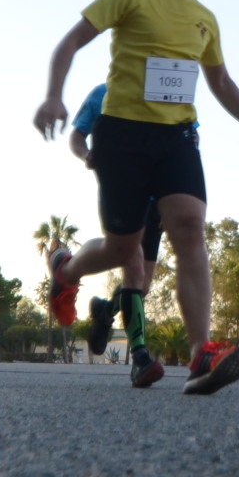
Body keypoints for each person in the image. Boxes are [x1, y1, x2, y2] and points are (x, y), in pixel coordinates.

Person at [34, 0, 239, 394]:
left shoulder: (205, 18)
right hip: (122, 135)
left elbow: (221, 81)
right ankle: (65, 270)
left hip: (178, 137)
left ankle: (200, 354)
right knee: (123, 248)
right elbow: (71, 41)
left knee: (190, 225)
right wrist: (53, 96)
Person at [67, 81, 163, 361]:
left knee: (142, 286)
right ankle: (141, 356)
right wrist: (86, 154)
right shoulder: (101, 93)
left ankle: (106, 310)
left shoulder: (165, 88)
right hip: (121, 191)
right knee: (132, 263)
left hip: (158, 199)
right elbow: (76, 136)